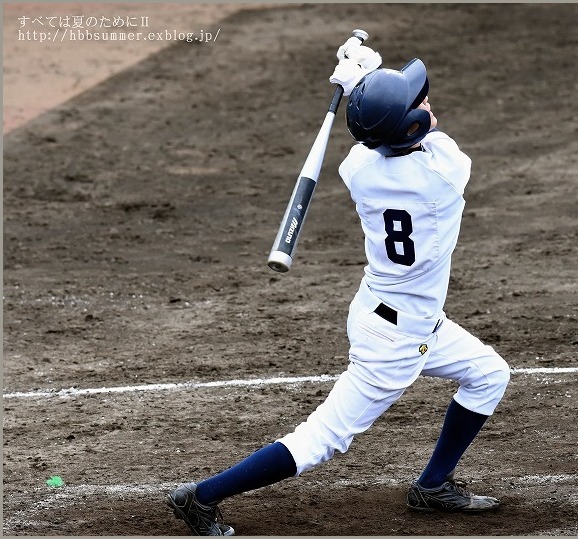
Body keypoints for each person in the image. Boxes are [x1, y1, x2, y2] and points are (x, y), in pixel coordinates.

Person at [166, 38, 510, 536]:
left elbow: (377, 130)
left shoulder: (359, 170)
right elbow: (417, 129)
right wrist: (363, 83)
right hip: (396, 340)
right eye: (420, 102)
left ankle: (433, 486)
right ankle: (200, 497)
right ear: (412, 126)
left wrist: (357, 88)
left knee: (488, 374)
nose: (428, 102)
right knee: (324, 438)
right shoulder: (444, 174)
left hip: (388, 312)